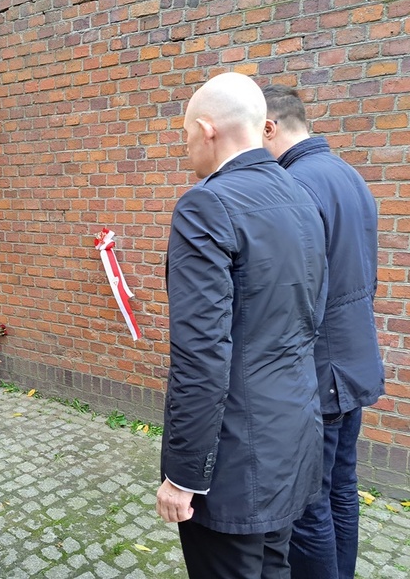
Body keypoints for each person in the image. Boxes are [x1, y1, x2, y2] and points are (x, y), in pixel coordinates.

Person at [155, 72, 328, 579]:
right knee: (274, 569)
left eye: (185, 133)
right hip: (293, 438)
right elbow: (308, 319)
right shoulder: (301, 196)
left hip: (232, 461)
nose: (185, 146)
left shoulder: (206, 204)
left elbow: (202, 353)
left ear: (207, 129)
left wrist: (184, 476)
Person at [262, 84, 384, 579]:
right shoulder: (350, 175)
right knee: (342, 488)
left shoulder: (295, 187)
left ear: (269, 128)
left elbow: (298, 298)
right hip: (354, 363)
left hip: (322, 375)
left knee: (310, 505)